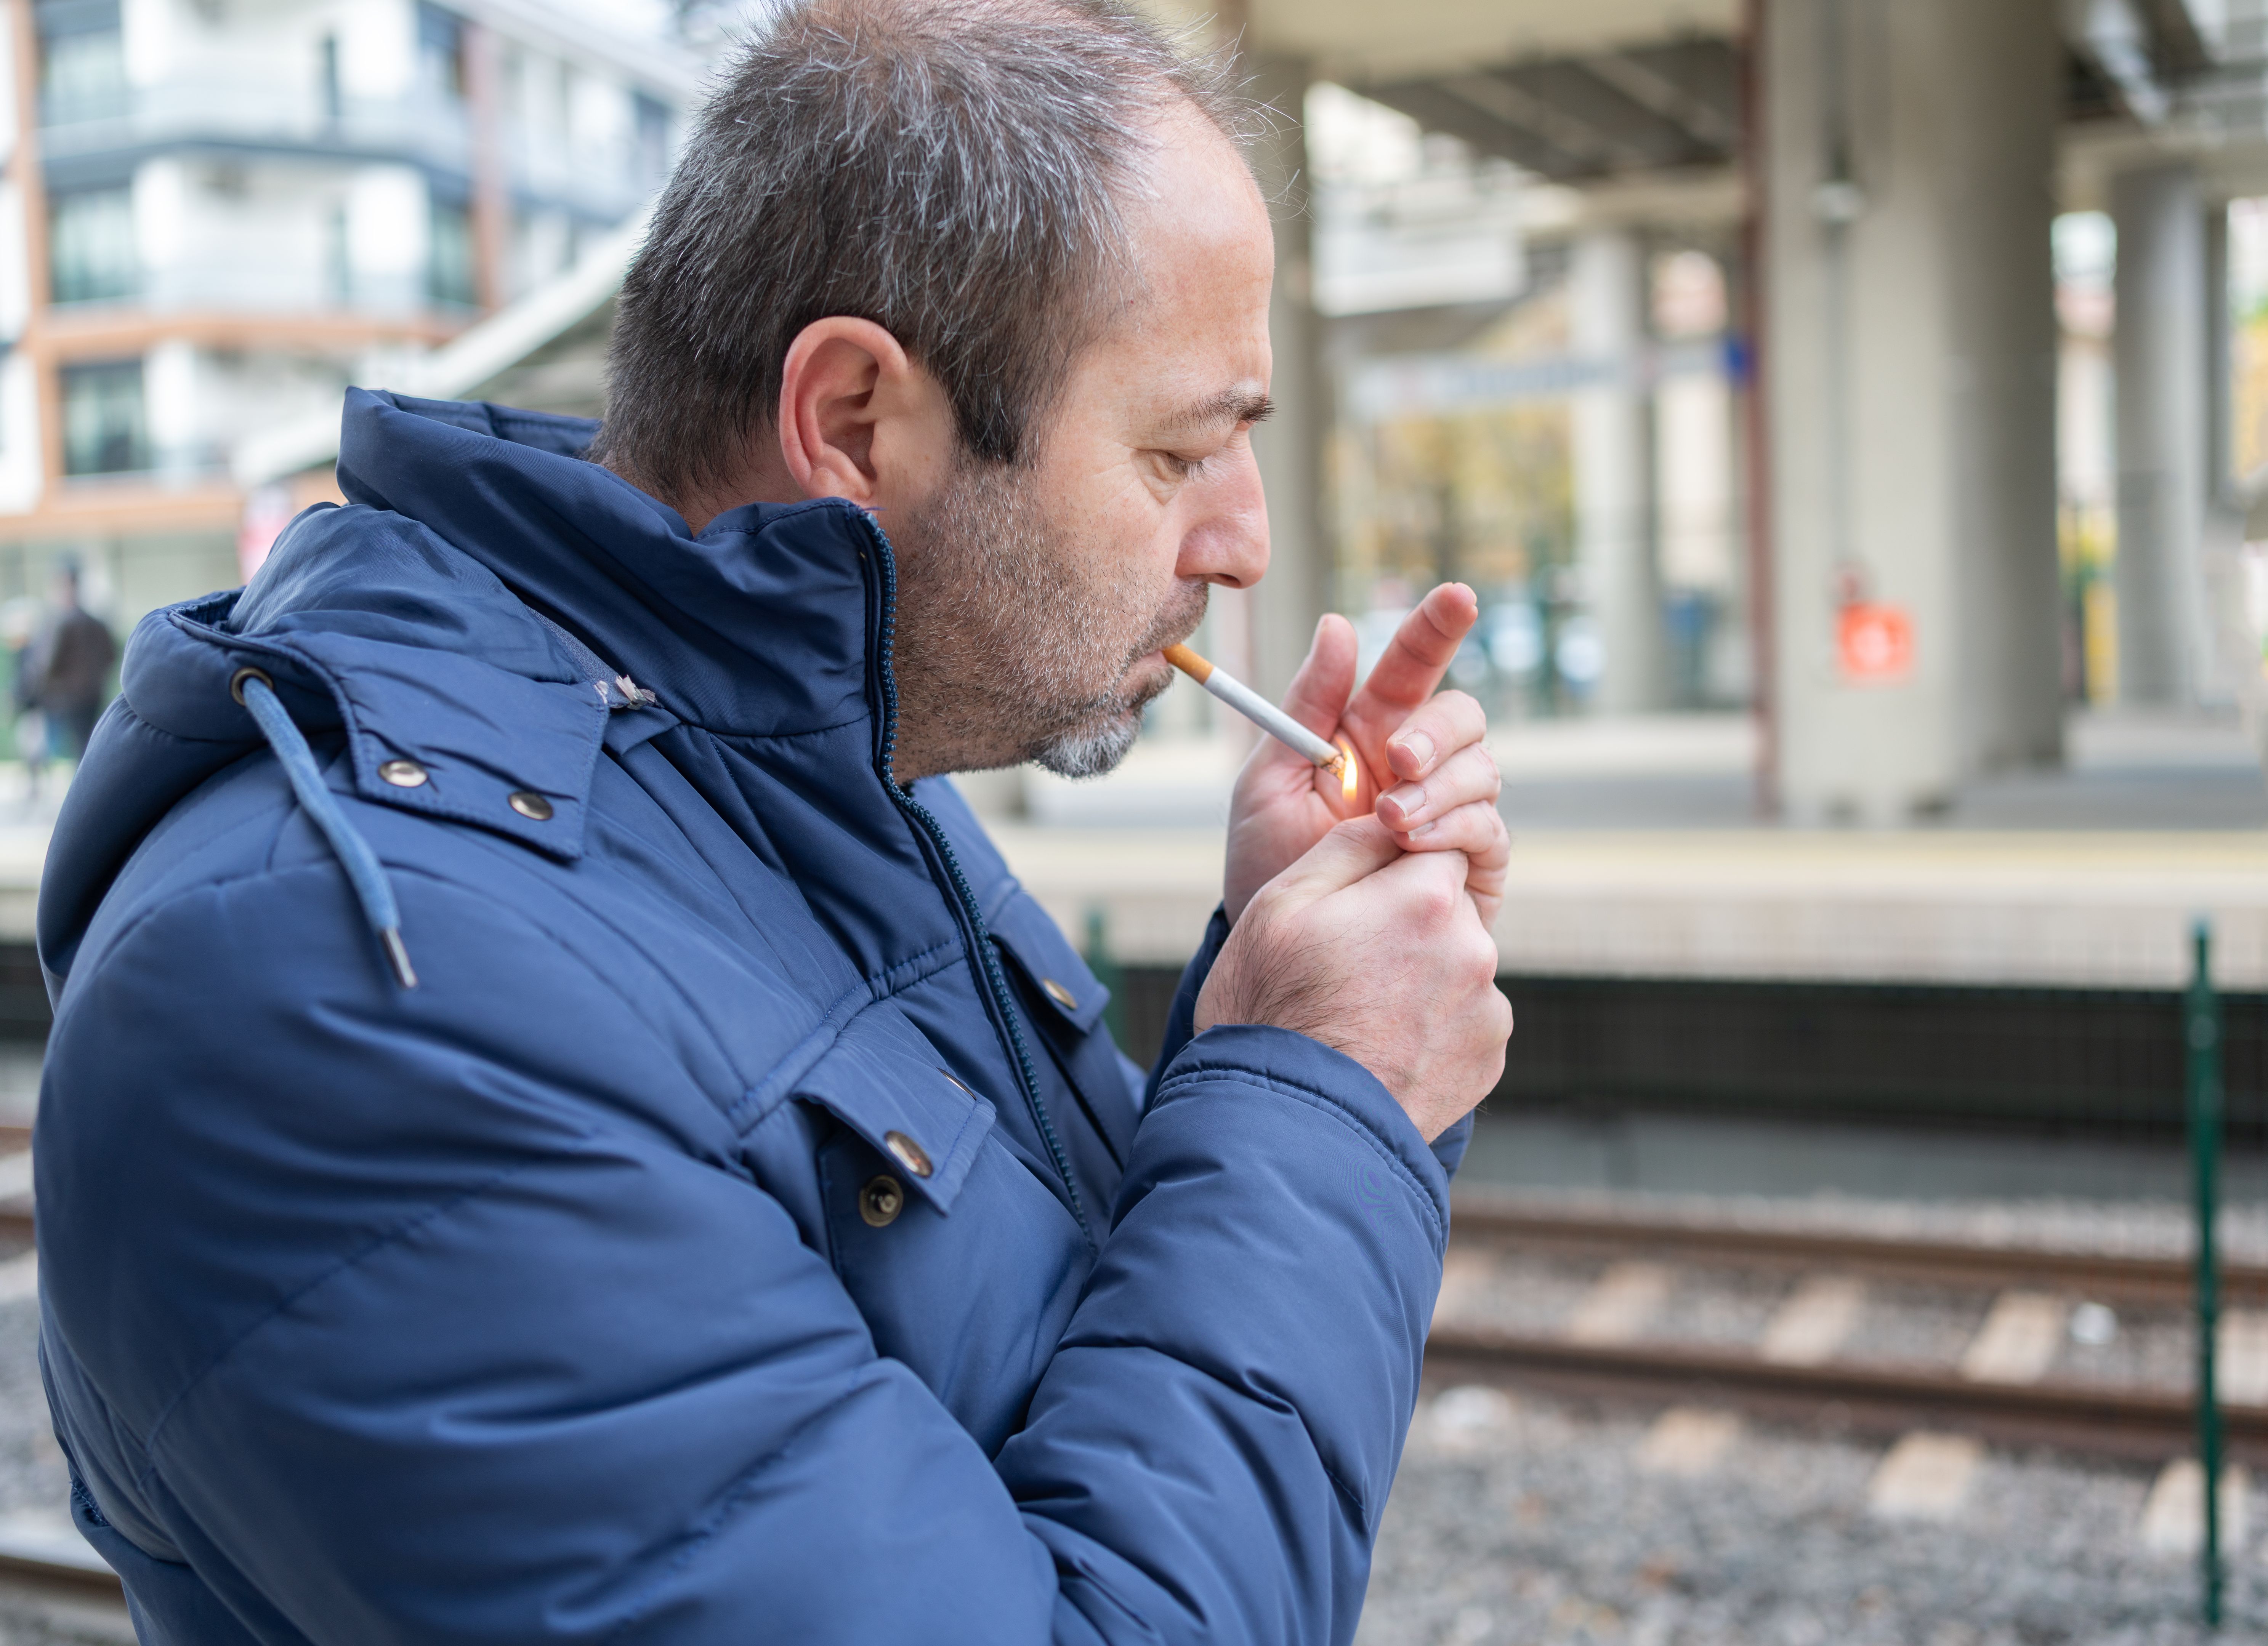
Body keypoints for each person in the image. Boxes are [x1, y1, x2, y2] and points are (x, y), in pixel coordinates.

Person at [34, 2, 1513, 1642]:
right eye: (1178, 453)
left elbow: (1085, 1349)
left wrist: (1301, 987)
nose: (1240, 544)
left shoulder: (798, 773)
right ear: (855, 420)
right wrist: (1319, 1085)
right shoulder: (345, 995)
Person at [19, 563, 113, 767]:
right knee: (87, 745)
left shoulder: (61, 623)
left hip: (67, 698)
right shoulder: (97, 623)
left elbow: (47, 663)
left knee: (67, 746)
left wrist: (34, 688)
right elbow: (111, 656)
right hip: (93, 693)